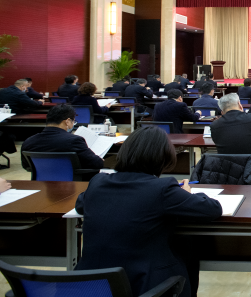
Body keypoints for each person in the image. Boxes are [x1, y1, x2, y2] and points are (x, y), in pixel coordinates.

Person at [75, 126, 222, 297]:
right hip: (142, 284)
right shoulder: (162, 189)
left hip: (90, 284)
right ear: (163, 158)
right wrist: (187, 194)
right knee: (186, 244)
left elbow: (80, 204)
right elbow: (212, 209)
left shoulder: (98, 182)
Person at [21, 104, 103, 172]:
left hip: (41, 183)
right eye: (74, 121)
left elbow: (26, 166)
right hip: (73, 184)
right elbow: (97, 163)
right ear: (67, 121)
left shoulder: (28, 142)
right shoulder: (74, 140)